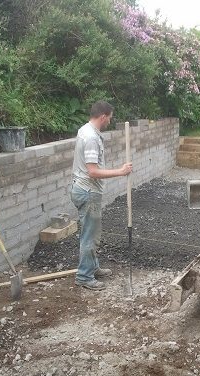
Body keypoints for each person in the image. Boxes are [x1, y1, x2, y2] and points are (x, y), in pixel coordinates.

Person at [70, 101, 133, 290]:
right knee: (90, 235)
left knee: (91, 232)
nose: (109, 122)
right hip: (88, 191)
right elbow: (93, 171)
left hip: (83, 189)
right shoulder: (91, 138)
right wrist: (121, 172)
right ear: (103, 116)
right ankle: (84, 276)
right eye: (110, 118)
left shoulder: (86, 130)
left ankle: (92, 267)